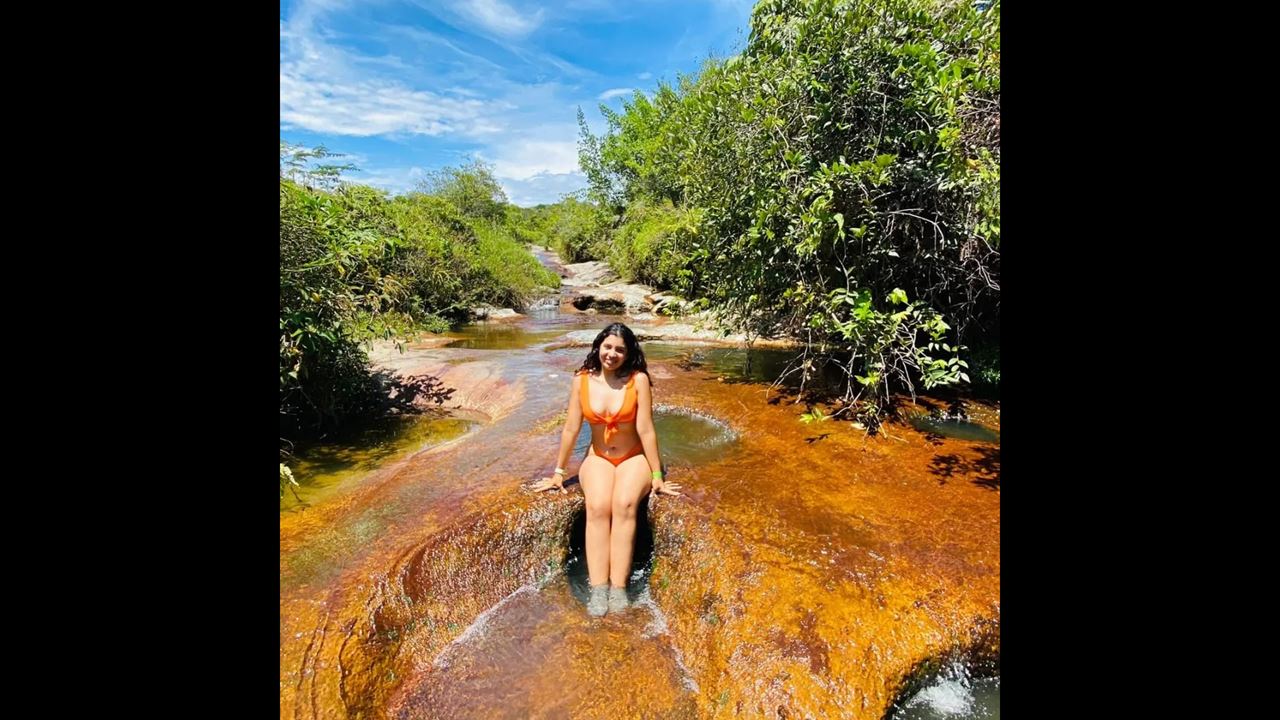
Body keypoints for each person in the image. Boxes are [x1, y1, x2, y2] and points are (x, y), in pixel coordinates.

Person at [531, 322, 682, 616]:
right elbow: (572, 428)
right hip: (599, 456)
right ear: (598, 346)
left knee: (624, 504)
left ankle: (618, 588)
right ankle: (599, 589)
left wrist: (657, 476)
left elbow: (646, 429)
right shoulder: (582, 379)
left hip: (633, 457)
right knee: (598, 506)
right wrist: (558, 473)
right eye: (608, 347)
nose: (612, 354)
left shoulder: (638, 380)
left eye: (620, 349)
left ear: (629, 354)